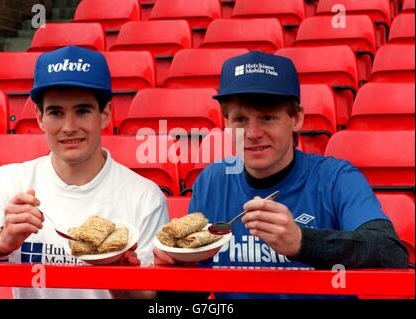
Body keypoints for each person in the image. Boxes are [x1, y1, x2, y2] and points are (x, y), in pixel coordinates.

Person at [154, 51, 409, 299]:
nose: (253, 133)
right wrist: (175, 270)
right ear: (226, 124)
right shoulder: (211, 182)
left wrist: (301, 242)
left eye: (267, 118)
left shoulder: (337, 178)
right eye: (240, 119)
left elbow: (390, 251)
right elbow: (188, 295)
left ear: (297, 119)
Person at [0, 46, 169, 299]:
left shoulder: (145, 197)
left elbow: (151, 299)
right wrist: (1, 241)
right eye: (56, 112)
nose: (69, 127)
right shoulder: (11, 181)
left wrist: (117, 276)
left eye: (82, 111)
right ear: (40, 118)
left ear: (105, 115)